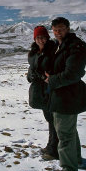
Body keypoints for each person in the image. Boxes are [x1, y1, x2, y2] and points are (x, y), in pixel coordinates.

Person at [44, 17, 86, 171]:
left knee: (64, 133)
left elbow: (73, 73)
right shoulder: (61, 45)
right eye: (55, 30)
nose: (58, 32)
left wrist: (52, 80)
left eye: (61, 29)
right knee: (69, 130)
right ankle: (76, 160)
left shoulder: (75, 46)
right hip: (61, 95)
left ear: (68, 28)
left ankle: (68, 168)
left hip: (68, 96)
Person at [27, 26, 58, 160]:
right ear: (35, 39)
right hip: (39, 90)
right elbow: (32, 68)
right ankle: (51, 145)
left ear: (47, 37)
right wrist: (30, 76)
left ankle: (54, 149)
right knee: (49, 117)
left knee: (53, 118)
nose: (41, 40)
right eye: (38, 37)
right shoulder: (34, 52)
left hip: (49, 88)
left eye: (43, 37)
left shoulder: (52, 51)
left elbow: (51, 69)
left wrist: (41, 76)